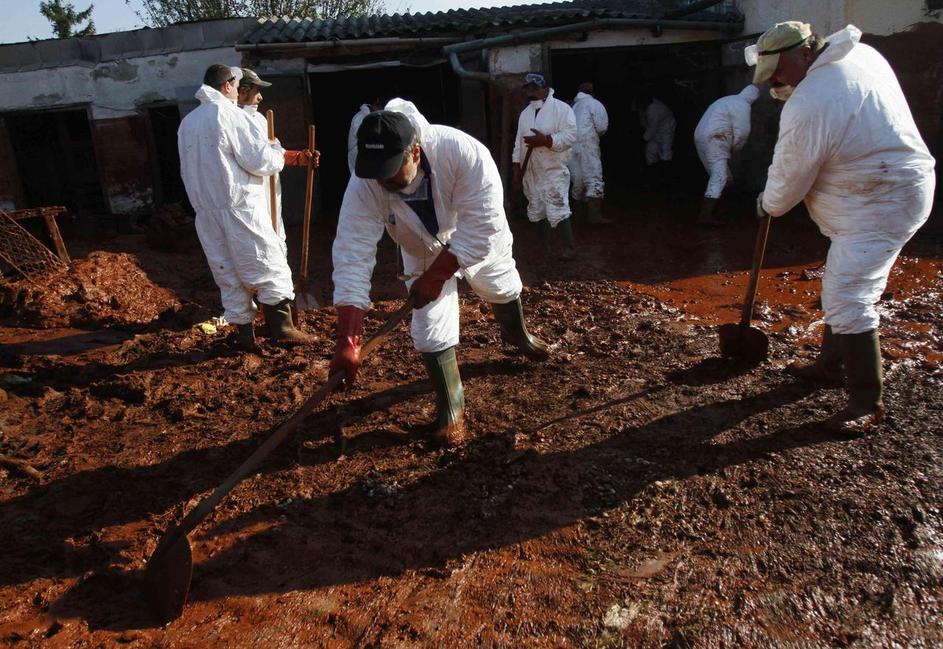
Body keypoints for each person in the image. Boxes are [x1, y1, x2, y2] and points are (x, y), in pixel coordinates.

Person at [749, 22, 935, 432]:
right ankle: (830, 364)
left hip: (878, 203)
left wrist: (767, 203)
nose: (775, 81)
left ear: (803, 55)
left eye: (778, 71)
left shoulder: (811, 101)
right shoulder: (861, 56)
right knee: (840, 280)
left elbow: (790, 177)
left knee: (849, 295)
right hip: (888, 188)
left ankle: (867, 402)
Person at [331, 99, 550, 446]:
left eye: (392, 171)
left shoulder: (462, 152)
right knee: (429, 327)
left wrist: (438, 274)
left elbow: (483, 225)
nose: (384, 183)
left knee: (500, 284)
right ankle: (452, 408)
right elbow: (352, 254)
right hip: (419, 249)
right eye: (377, 174)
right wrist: (348, 338)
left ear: (415, 152)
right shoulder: (366, 183)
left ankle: (517, 335)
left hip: (474, 235)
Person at [178, 64, 316, 349]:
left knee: (227, 271)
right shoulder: (228, 114)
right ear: (228, 86)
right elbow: (257, 160)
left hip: (205, 211)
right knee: (268, 263)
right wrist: (278, 157)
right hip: (239, 206)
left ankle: (244, 335)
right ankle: (282, 329)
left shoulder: (188, 122)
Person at [237, 68, 319, 262]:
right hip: (250, 194)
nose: (260, 97)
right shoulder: (234, 121)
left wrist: (301, 158)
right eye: (257, 91)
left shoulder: (258, 119)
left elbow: (276, 151)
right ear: (242, 92)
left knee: (277, 244)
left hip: (270, 191)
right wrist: (275, 158)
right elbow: (261, 160)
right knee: (259, 253)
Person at [512, 72, 578, 260]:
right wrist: (516, 169)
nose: (532, 93)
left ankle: (569, 248)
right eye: (529, 89)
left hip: (553, 167)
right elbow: (518, 142)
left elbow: (570, 135)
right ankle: (543, 248)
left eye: (535, 89)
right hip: (532, 169)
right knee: (537, 205)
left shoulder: (562, 109)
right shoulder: (526, 114)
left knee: (557, 204)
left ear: (545, 89)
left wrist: (546, 140)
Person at [693, 84, 761, 226]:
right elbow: (743, 132)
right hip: (716, 138)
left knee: (724, 177)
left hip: (700, 136)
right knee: (720, 176)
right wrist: (735, 149)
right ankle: (706, 216)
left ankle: (721, 210)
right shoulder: (743, 105)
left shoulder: (726, 100)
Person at [569, 82, 612, 225]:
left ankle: (578, 216)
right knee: (594, 178)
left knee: (578, 180)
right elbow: (601, 127)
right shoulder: (594, 104)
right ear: (592, 93)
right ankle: (594, 217)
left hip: (572, 147)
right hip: (588, 145)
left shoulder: (574, 107)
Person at [639, 91, 676, 171]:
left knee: (665, 154)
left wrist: (644, 138)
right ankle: (653, 173)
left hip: (666, 132)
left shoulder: (653, 110)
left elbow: (652, 128)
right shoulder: (644, 107)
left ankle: (666, 174)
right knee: (650, 151)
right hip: (655, 134)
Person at [347, 99, 381, 174]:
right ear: (377, 103)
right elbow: (367, 144)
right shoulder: (360, 118)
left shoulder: (372, 117)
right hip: (359, 162)